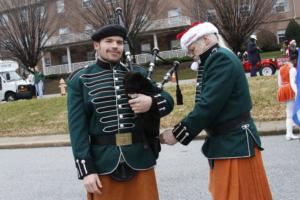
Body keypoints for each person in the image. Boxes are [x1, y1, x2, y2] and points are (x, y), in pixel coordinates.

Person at [160, 22, 272, 200]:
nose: (191, 55)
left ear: (205, 39)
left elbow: (208, 105)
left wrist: (177, 133)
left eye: (192, 49)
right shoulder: (215, 58)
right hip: (228, 142)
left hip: (234, 143)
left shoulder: (220, 58)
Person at [67, 24, 174, 200]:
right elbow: (77, 129)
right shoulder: (80, 80)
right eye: (109, 41)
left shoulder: (137, 73)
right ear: (96, 45)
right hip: (103, 162)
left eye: (119, 42)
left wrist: (151, 102)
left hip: (140, 157)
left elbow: (168, 100)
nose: (115, 46)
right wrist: (86, 171)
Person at [277, 50, 300, 140]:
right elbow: (292, 83)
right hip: (290, 91)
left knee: (289, 113)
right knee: (293, 112)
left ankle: (289, 133)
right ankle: (290, 133)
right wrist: (297, 94)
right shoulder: (293, 69)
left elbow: (279, 82)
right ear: (294, 60)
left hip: (283, 90)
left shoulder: (281, 68)